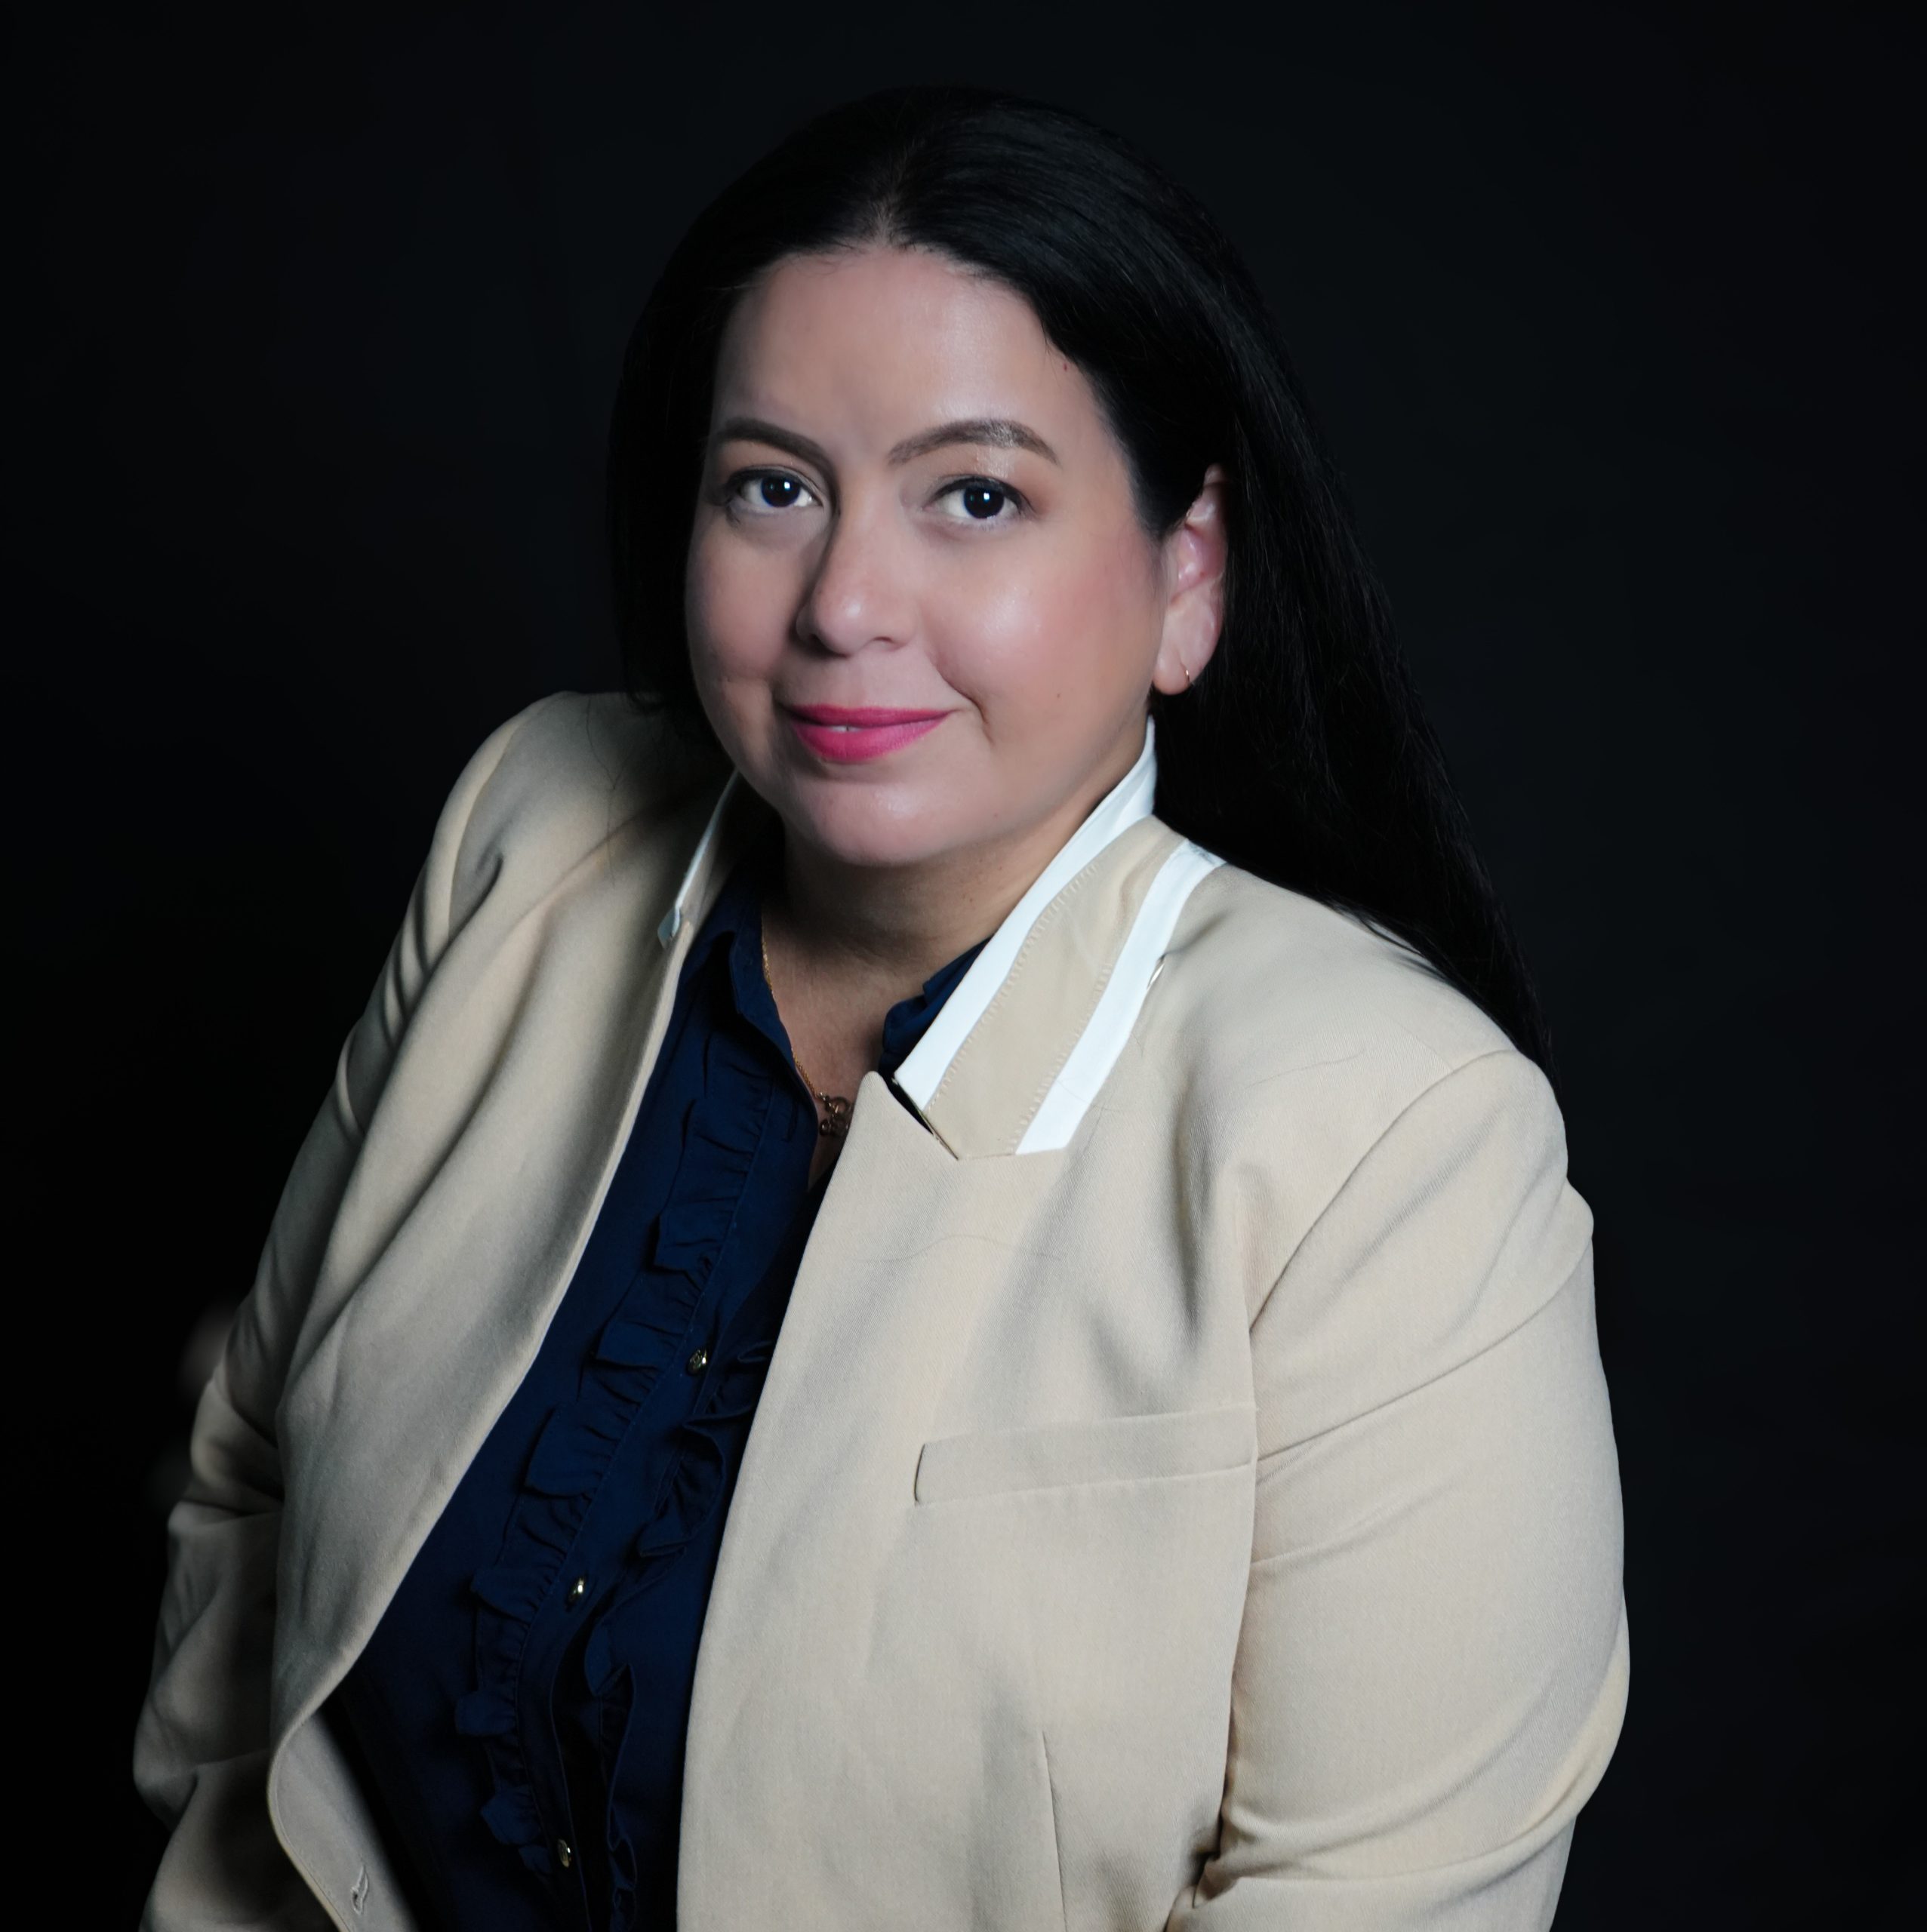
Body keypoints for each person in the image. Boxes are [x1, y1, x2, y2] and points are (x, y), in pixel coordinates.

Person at [134, 85, 1627, 1932]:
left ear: (1188, 572)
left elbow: (1384, 1897)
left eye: (975, 497)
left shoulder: (1387, 1132)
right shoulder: (535, 839)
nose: (843, 602)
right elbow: (252, 1469)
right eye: (771, 486)